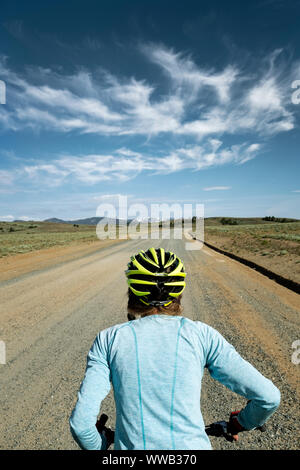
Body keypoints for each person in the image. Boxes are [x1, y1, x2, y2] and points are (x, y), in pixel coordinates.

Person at [69, 247, 280, 450]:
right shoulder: (202, 335)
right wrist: (239, 423)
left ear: (132, 291)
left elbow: (81, 425)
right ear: (179, 292)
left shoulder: (108, 339)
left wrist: (101, 444)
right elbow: (268, 397)